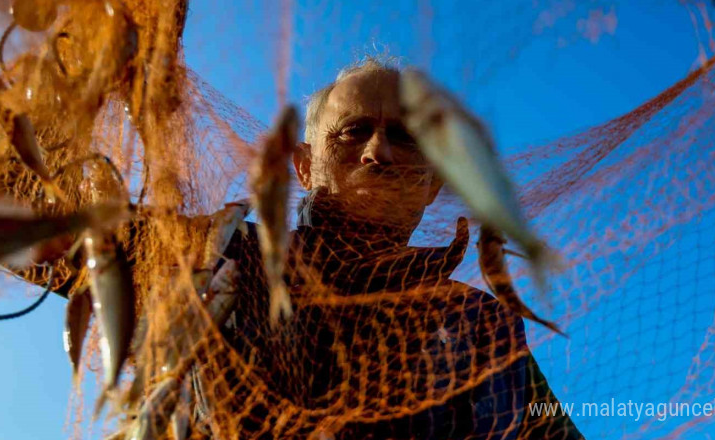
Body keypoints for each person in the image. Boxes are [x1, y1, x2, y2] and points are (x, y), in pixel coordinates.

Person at [188, 58, 584, 440]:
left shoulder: (484, 321)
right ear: (305, 167)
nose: (378, 152)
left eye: (404, 138)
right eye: (353, 130)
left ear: (431, 184)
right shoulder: (222, 250)